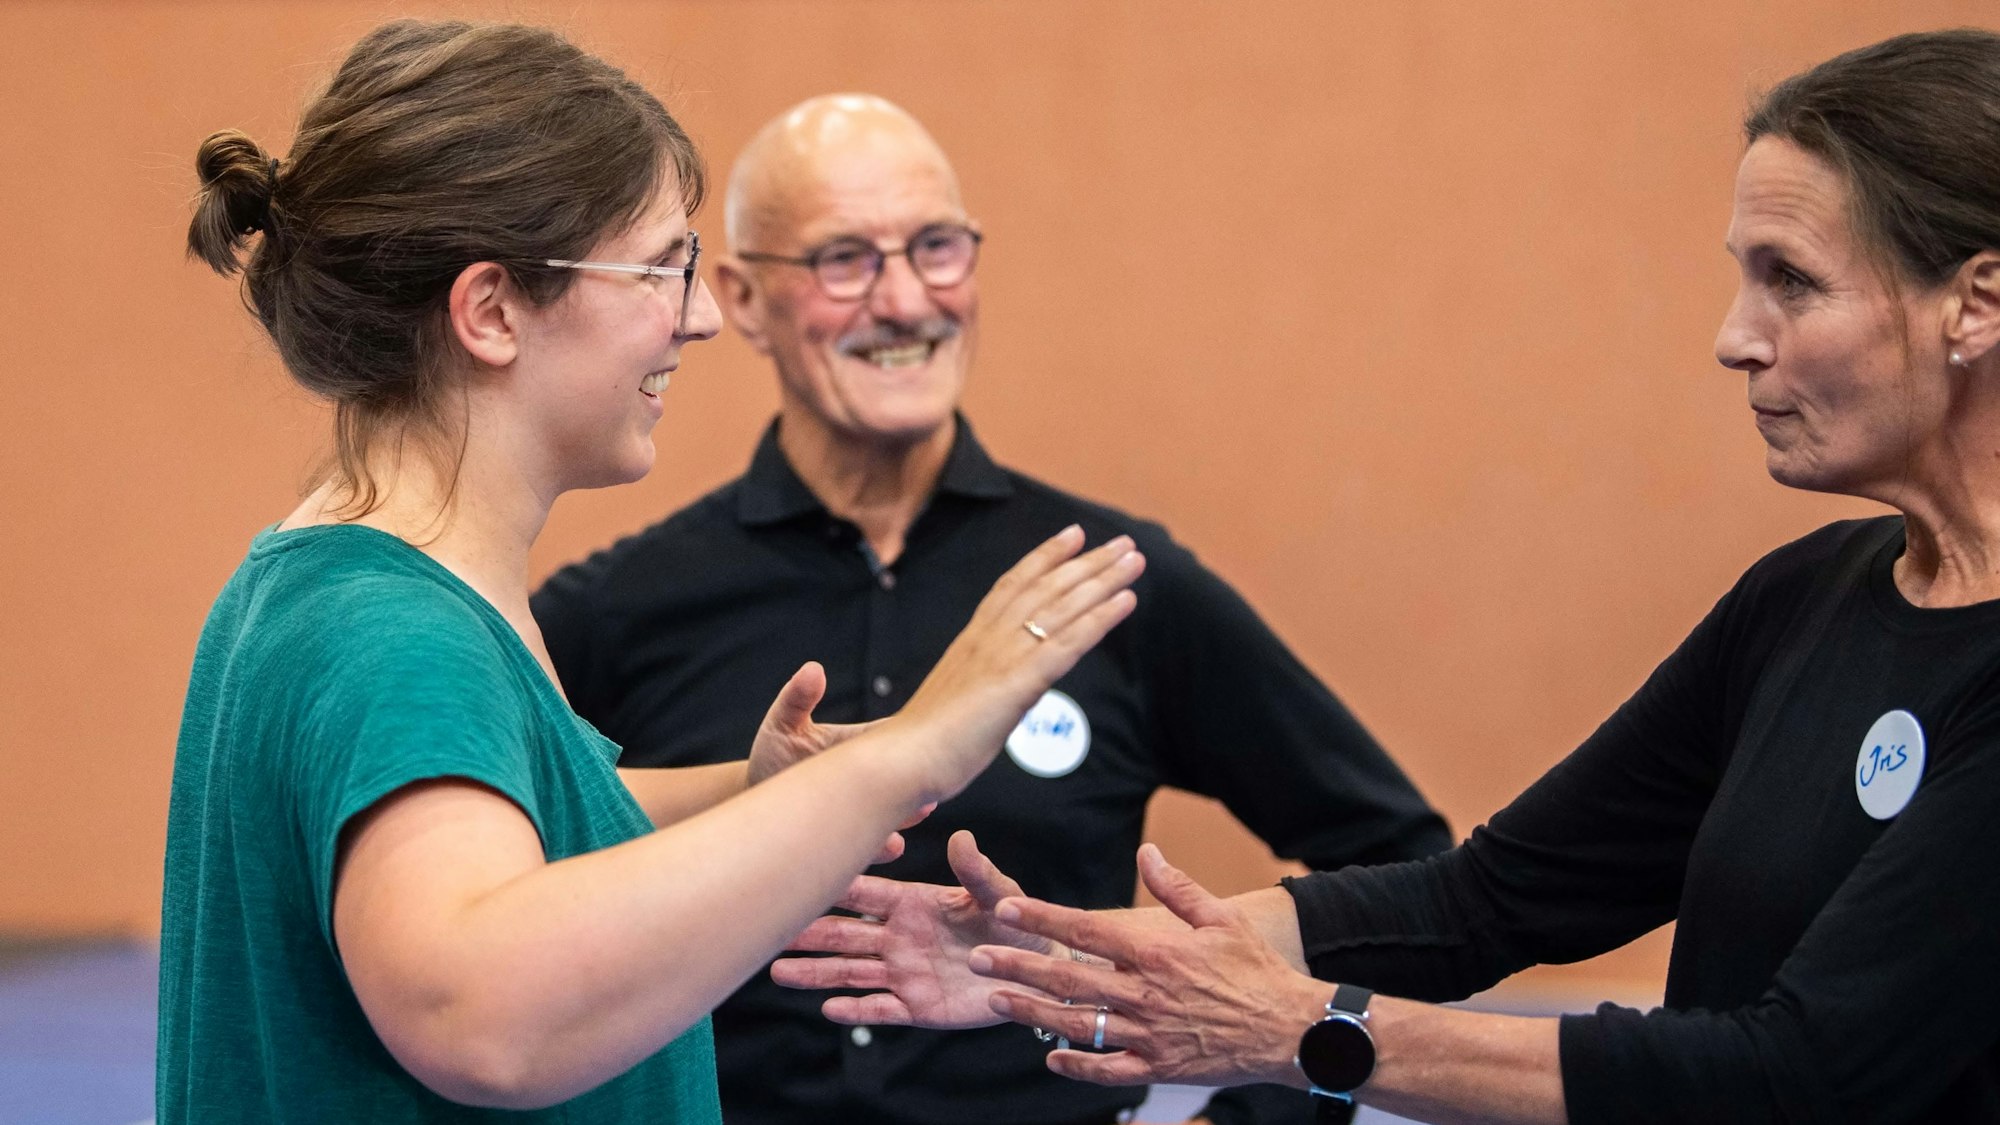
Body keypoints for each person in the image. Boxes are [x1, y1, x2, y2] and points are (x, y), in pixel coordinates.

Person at [775, 28, 2000, 1124]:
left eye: (1789, 279)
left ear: (1974, 304)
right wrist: (1054, 957)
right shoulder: (1799, 602)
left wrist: (1308, 1034)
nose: (1733, 336)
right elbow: (1483, 900)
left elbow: (1804, 1076)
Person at [159, 20, 1144, 1124]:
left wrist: (762, 792)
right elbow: (478, 1013)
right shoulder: (396, 636)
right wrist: (914, 748)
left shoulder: (331, 580)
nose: (704, 317)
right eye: (661, 269)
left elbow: (518, 830)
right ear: (490, 312)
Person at [530, 94, 1451, 1125]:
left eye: (935, 248)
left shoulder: (1102, 584)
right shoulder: (618, 608)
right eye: (844, 259)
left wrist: (1254, 1113)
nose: (905, 301)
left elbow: (1409, 872)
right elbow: (499, 908)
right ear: (740, 299)